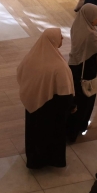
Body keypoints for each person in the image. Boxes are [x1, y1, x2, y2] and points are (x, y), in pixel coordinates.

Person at [17, 29, 75, 169]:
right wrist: (71, 106)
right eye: (60, 37)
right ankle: (50, 161)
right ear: (53, 41)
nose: (62, 38)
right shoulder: (59, 66)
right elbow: (65, 91)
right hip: (52, 107)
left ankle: (34, 160)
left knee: (33, 132)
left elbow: (20, 74)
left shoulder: (31, 57)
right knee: (50, 135)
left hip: (33, 100)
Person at [66, 4, 97, 143]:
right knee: (85, 103)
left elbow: (93, 33)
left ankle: (69, 130)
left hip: (74, 67)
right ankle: (78, 129)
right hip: (87, 72)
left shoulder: (78, 25)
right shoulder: (91, 35)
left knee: (75, 101)